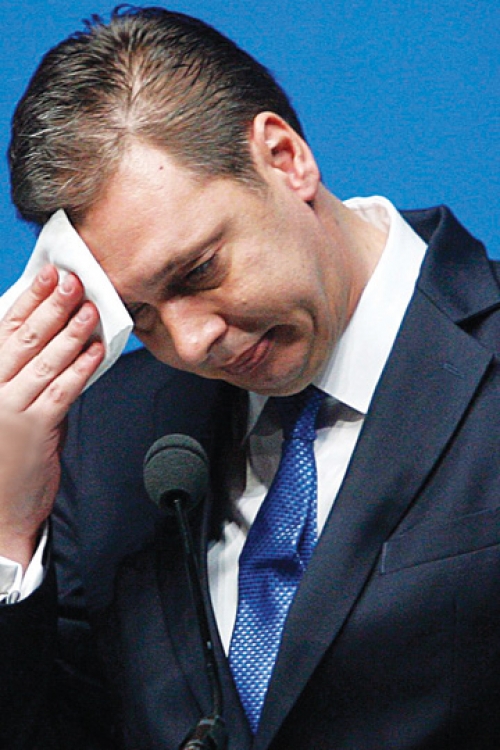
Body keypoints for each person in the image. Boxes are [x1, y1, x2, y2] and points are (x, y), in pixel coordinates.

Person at [1, 5, 499, 749]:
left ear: (285, 157)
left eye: (199, 270)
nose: (191, 340)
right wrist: (7, 537)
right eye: (138, 314)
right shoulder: (99, 440)